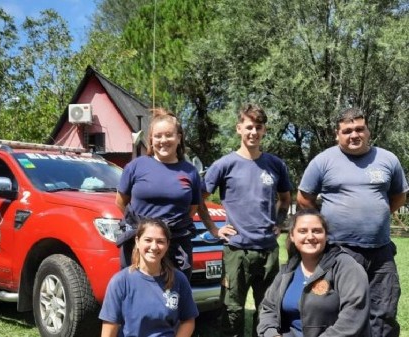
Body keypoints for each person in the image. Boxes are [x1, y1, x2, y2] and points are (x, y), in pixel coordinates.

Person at [297, 107, 408, 337]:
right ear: (337, 134)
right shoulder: (323, 161)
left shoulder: (388, 159)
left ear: (368, 131)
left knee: (384, 310)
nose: (354, 135)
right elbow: (304, 198)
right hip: (339, 250)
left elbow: (399, 196)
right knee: (336, 308)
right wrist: (322, 226)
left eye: (360, 129)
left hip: (381, 253)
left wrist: (378, 214)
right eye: (347, 131)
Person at [198, 103, 292, 337]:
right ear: (239, 128)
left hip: (268, 251)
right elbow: (198, 200)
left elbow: (286, 199)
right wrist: (214, 229)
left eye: (258, 127)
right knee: (232, 309)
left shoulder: (275, 165)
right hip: (236, 250)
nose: (253, 132)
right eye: (249, 127)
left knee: (268, 308)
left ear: (264, 131)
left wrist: (280, 222)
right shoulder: (224, 165)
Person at [116, 108, 202, 279]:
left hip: (176, 244)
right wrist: (147, 230)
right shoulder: (136, 167)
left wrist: (166, 230)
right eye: (158, 136)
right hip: (141, 245)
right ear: (151, 140)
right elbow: (120, 202)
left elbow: (192, 209)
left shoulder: (190, 172)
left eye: (169, 135)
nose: (163, 140)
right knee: (136, 293)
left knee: (174, 296)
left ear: (179, 138)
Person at [257, 209, 371, 337]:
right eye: (303, 231)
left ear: (326, 235)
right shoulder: (288, 270)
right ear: (293, 236)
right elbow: (268, 308)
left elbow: (353, 316)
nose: (310, 236)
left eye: (316, 231)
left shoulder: (346, 267)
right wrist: (272, 334)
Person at [99, 218, 199, 337]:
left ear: (167, 244)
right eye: (148, 240)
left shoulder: (179, 279)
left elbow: (188, 321)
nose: (154, 247)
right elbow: (109, 328)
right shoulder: (121, 281)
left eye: (160, 241)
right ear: (137, 241)